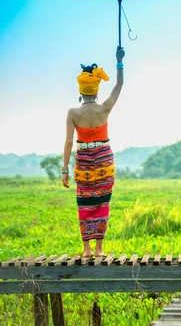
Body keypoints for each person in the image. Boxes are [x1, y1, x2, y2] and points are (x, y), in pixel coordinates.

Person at [61, 46, 124, 258]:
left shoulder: (73, 113)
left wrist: (64, 170)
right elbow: (119, 85)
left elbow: (69, 142)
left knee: (85, 202)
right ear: (96, 90)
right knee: (102, 201)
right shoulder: (104, 108)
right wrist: (119, 61)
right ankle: (99, 249)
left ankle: (87, 250)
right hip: (104, 158)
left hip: (84, 160)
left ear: (81, 91)